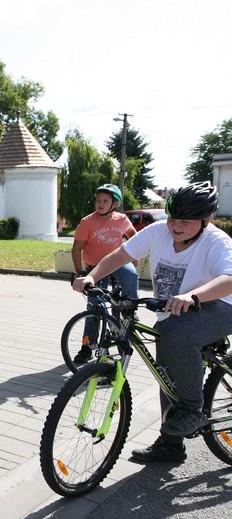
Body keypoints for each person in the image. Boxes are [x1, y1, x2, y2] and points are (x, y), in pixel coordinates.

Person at [73, 182, 232, 463]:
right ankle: (171, 446)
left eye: (185, 222)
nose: (175, 226)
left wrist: (193, 296)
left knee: (177, 334)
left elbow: (229, 279)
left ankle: (192, 410)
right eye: (172, 219)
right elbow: (121, 255)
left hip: (221, 305)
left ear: (206, 220)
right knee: (166, 372)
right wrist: (91, 276)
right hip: (176, 311)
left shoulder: (217, 242)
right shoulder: (158, 232)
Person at [71, 183, 139, 364]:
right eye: (98, 200)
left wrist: (135, 259)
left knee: (131, 275)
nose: (99, 204)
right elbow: (76, 249)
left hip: (117, 263)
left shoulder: (122, 219)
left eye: (105, 201)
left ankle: (130, 310)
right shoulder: (87, 222)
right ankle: (87, 347)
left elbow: (134, 237)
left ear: (114, 204)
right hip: (95, 268)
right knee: (94, 308)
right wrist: (79, 273)